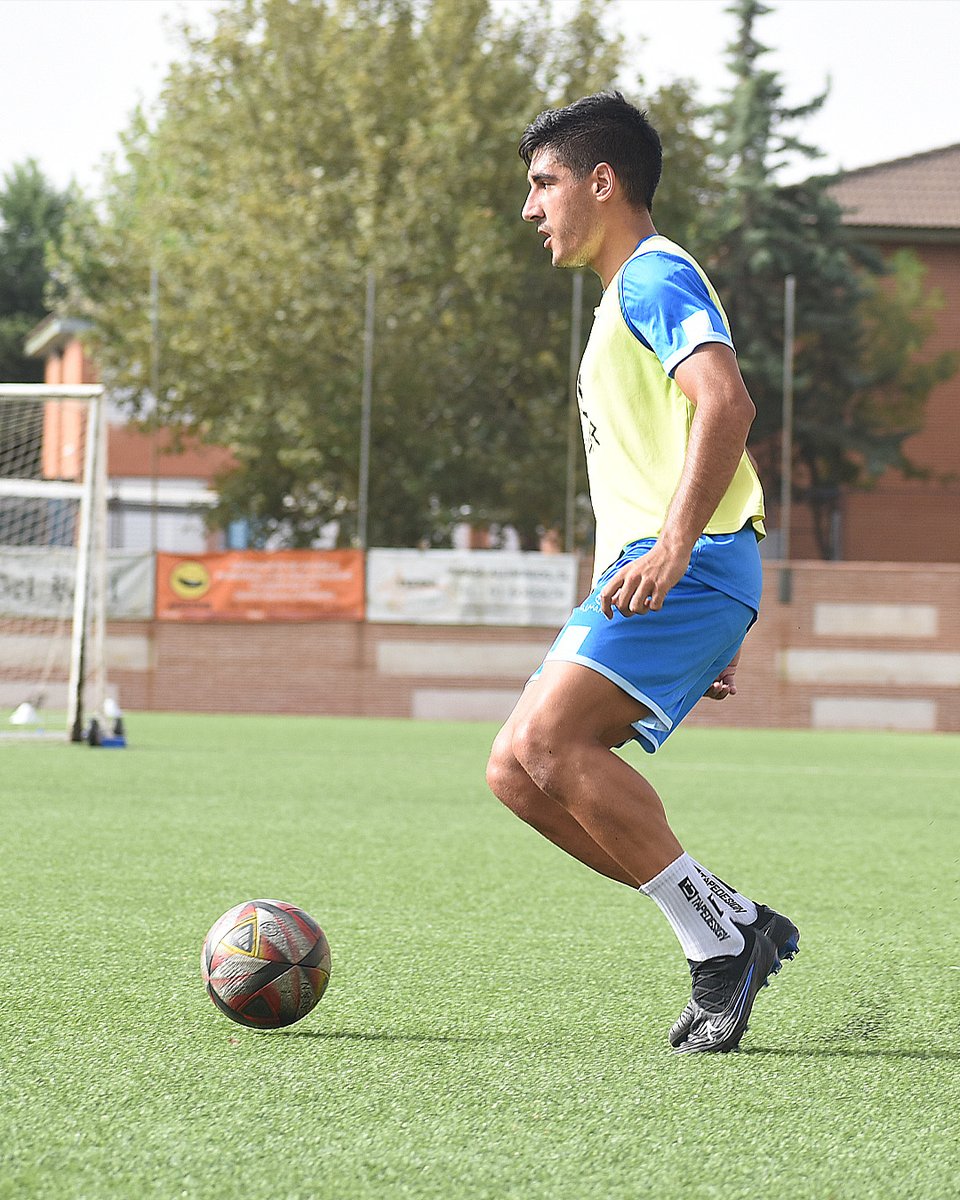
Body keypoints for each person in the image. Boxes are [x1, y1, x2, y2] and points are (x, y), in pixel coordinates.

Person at [485, 92, 798, 1055]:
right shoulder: (619, 302)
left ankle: (723, 939)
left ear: (602, 181)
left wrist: (673, 553)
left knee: (549, 745)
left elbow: (727, 404)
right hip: (667, 571)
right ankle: (728, 925)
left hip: (690, 562)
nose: (532, 208)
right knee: (515, 773)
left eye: (544, 184)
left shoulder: (653, 278)